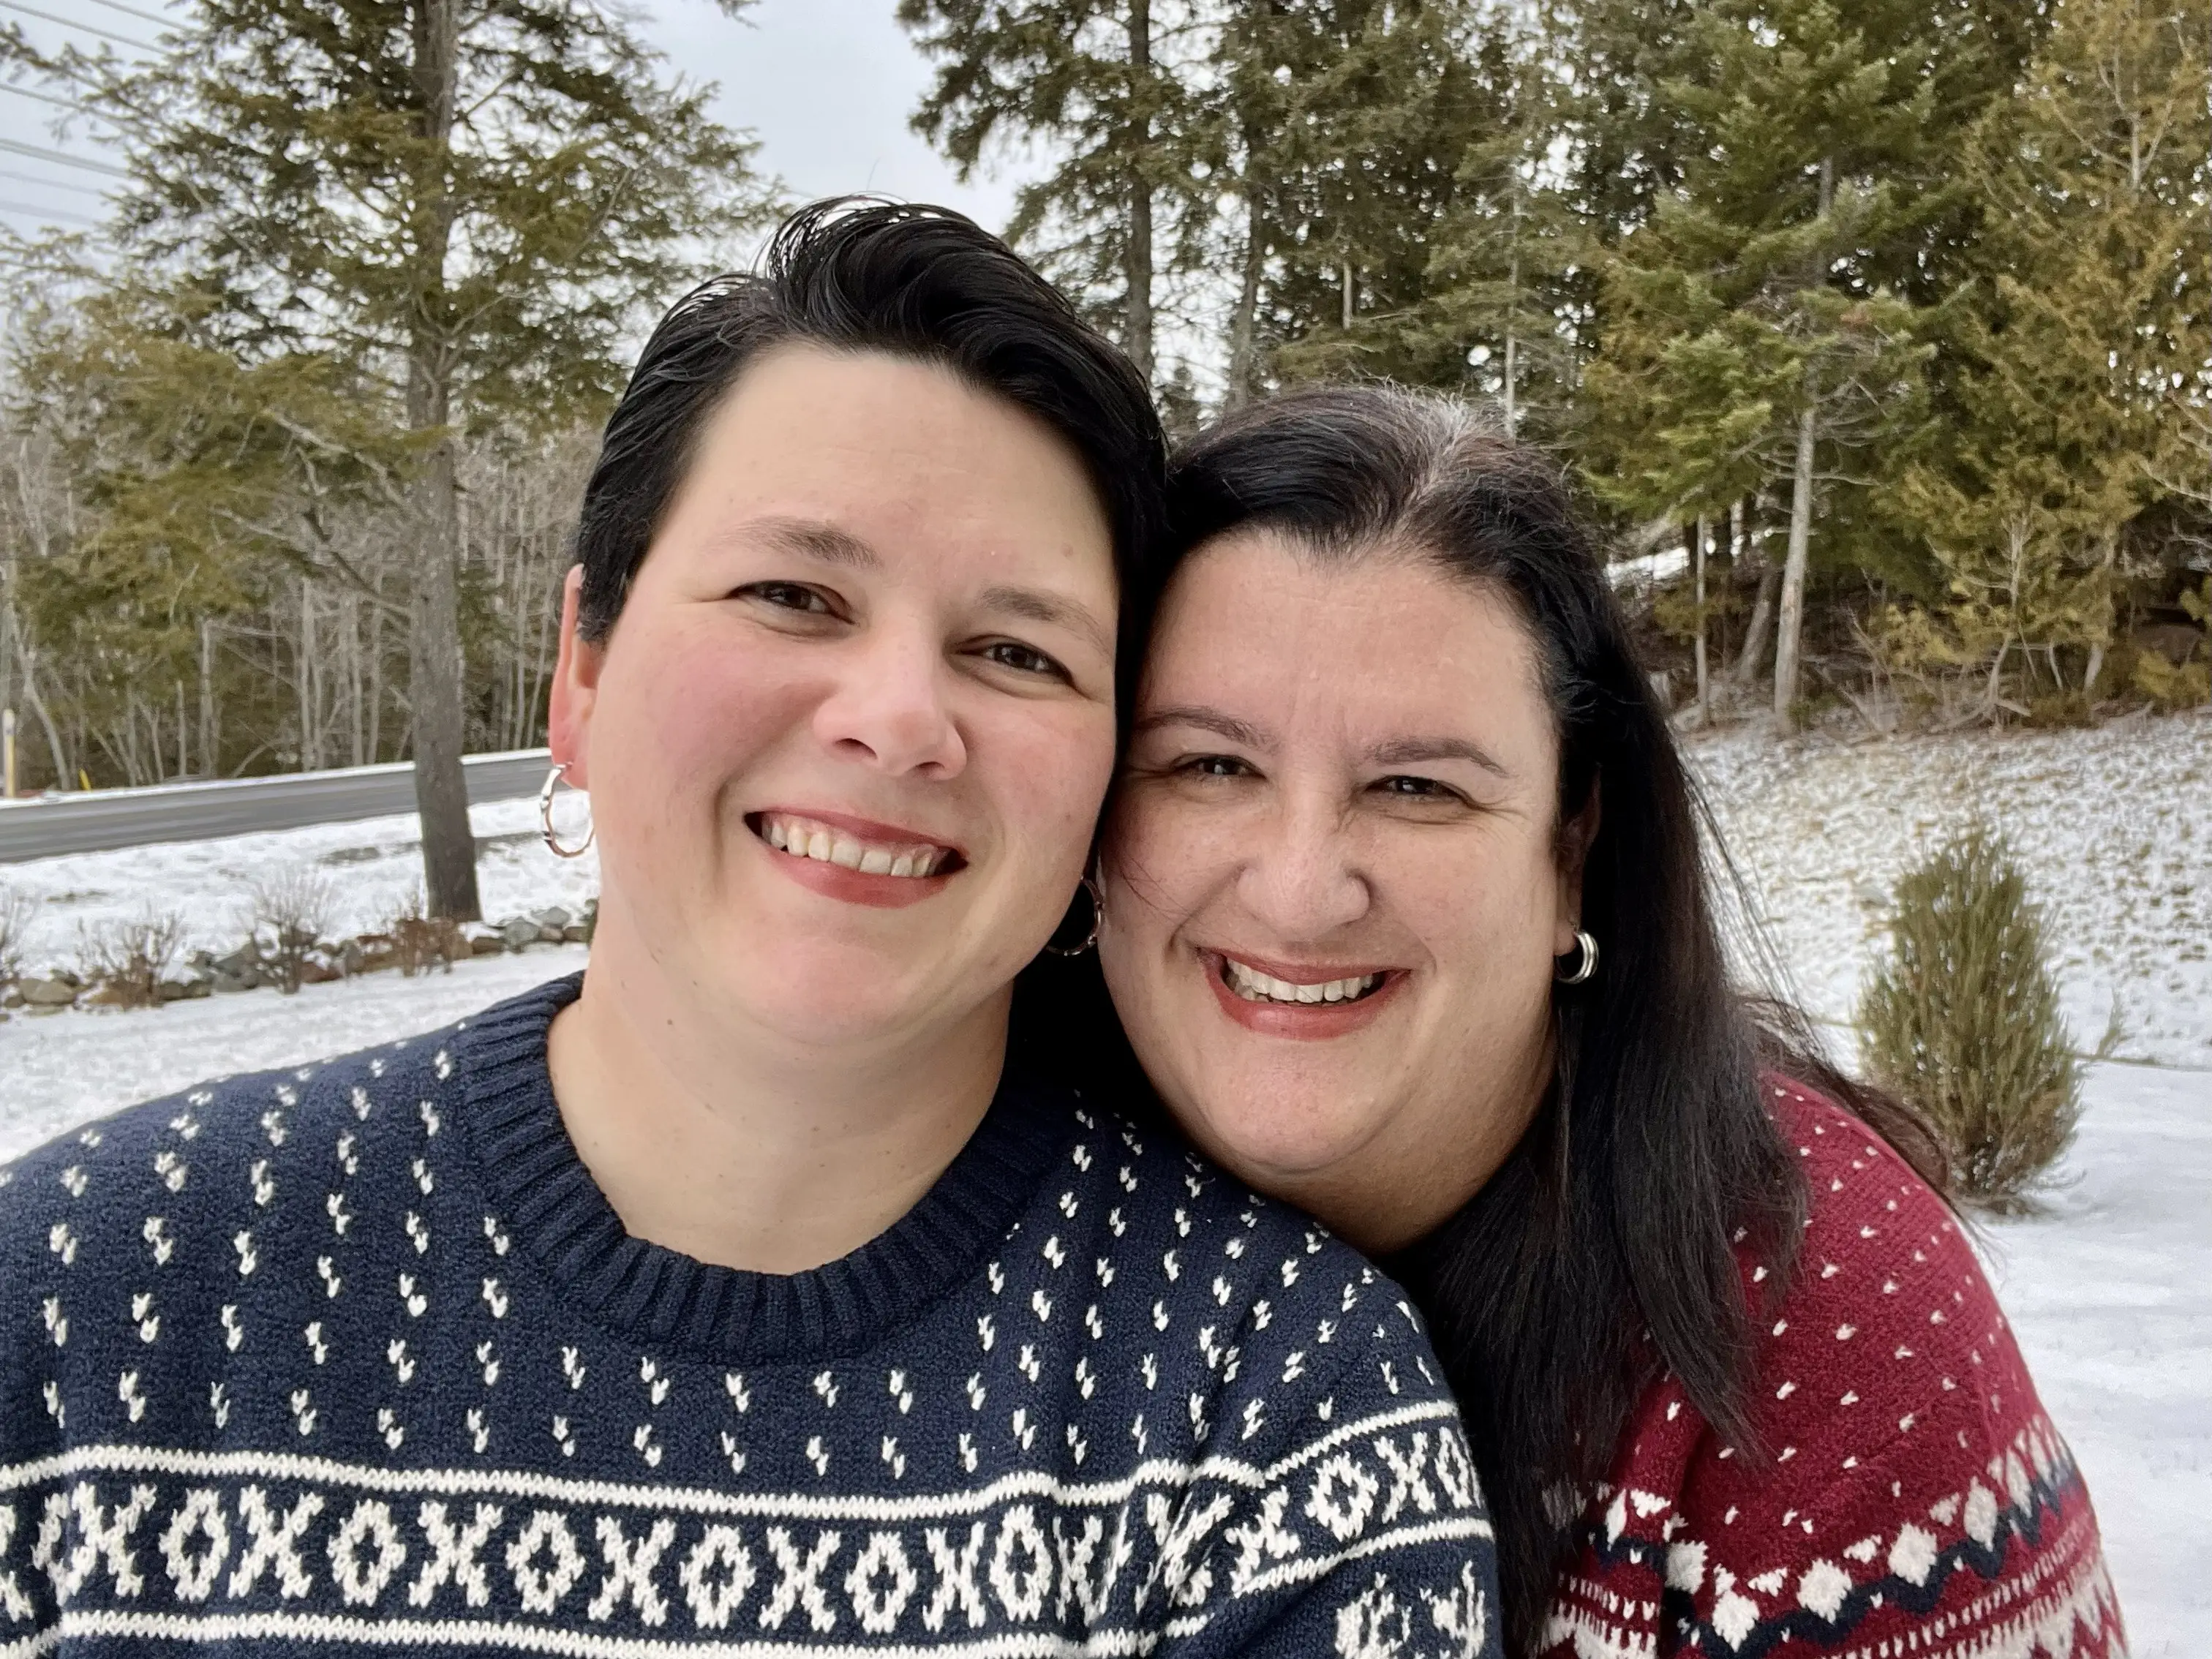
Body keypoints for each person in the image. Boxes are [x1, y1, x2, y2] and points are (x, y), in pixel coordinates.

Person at [0, 211, 1502, 1658]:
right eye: (794, 594)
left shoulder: (1271, 1414)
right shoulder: (86, 1297)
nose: (903, 718)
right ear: (579, 674)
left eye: (1014, 650)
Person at [1089, 383, 2126, 1658]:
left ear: (1570, 853)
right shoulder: (976, 1194)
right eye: (1211, 766)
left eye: (1418, 787)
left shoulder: (1821, 1322)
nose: (1301, 891)